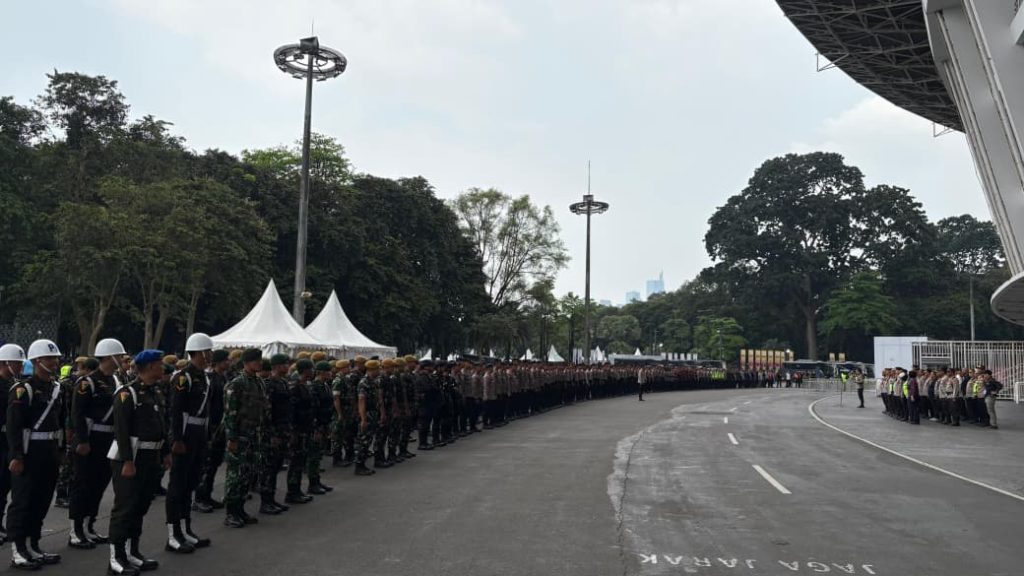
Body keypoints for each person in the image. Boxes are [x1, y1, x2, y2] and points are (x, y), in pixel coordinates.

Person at [106, 349, 168, 575]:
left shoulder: (155, 391)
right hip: (131, 458)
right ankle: (116, 558)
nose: (163, 368)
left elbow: (162, 423)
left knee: (140, 506)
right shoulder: (127, 393)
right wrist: (127, 460)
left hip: (151, 457)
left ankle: (132, 551)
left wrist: (166, 452)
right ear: (150, 366)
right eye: (160, 364)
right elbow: (121, 430)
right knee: (125, 508)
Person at [8, 339, 65, 569]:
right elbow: (14, 426)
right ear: (37, 361)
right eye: (49, 358)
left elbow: (61, 421)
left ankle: (33, 544)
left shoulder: (56, 388)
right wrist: (16, 456)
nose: (54, 362)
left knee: (42, 500)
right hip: (30, 451)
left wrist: (61, 451)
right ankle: (18, 549)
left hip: (49, 451)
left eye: (55, 358)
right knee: (23, 501)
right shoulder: (23, 389)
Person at [68, 339, 126, 549]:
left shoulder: (115, 381)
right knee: (82, 485)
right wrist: (82, 440)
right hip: (90, 438)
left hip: (107, 440)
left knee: (99, 484)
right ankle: (75, 530)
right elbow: (77, 413)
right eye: (118, 356)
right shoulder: (87, 382)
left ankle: (88, 525)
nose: (121, 359)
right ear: (109, 357)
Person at [164, 333, 216, 554]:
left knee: (190, 483)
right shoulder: (182, 377)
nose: (211, 355)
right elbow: (176, 411)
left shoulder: (204, 377)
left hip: (198, 435)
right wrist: (176, 439)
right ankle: (173, 534)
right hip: (185, 436)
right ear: (200, 352)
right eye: (208, 351)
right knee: (177, 486)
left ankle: (185, 529)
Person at [222, 348, 267, 528]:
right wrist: (232, 437)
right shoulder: (237, 384)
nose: (259, 363)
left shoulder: (258, 382)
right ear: (247, 362)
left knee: (247, 473)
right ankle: (231, 512)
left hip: (253, 434)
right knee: (235, 474)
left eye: (260, 360)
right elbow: (230, 412)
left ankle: (240, 509)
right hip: (239, 434)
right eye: (256, 361)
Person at [193, 349, 229, 513]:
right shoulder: (211, 380)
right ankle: (199, 498)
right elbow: (207, 405)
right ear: (218, 362)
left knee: (215, 463)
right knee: (206, 465)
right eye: (225, 360)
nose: (228, 363)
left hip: (221, 427)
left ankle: (207, 495)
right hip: (212, 427)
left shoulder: (223, 378)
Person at [259, 354, 292, 515]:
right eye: (285, 364)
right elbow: (266, 411)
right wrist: (271, 433)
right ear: (277, 366)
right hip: (272, 431)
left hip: (282, 429)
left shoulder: (283, 383)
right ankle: (265, 502)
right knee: (269, 467)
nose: (288, 367)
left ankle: (271, 499)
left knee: (277, 465)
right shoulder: (269, 384)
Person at [0, 343, 25, 547]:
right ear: (5, 363)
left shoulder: (14, 384)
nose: (20, 367)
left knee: (6, 484)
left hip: (9, 440)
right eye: (17, 363)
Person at [286, 359, 315, 502]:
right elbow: (291, 411)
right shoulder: (294, 387)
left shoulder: (305, 385)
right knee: (295, 461)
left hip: (304, 428)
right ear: (305, 370)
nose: (313, 371)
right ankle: (292, 492)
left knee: (300, 460)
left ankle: (297, 490)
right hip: (297, 429)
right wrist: (292, 431)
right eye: (311, 369)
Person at [306, 361, 334, 494]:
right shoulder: (314, 387)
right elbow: (313, 409)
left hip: (324, 423)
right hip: (317, 425)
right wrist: (316, 427)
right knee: (313, 455)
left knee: (318, 454)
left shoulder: (325, 385)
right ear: (320, 373)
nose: (330, 373)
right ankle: (312, 483)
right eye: (327, 371)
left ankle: (316, 480)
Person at [354, 360, 381, 476]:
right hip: (367, 414)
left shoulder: (373, 382)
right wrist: (363, 419)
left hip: (373, 413)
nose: (379, 371)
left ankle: (362, 464)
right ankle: (359, 466)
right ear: (372, 369)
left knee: (368, 440)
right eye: (378, 369)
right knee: (363, 441)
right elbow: (361, 401)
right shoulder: (364, 382)